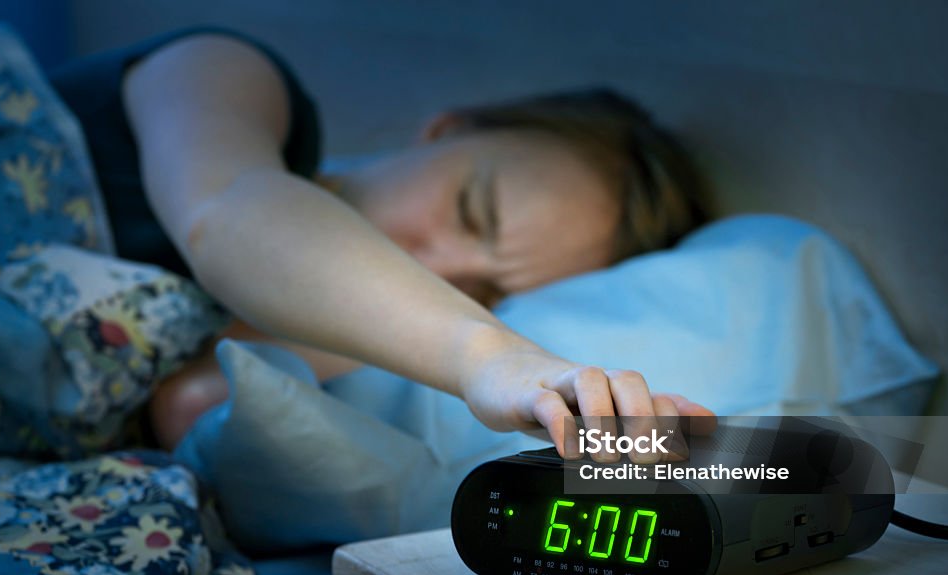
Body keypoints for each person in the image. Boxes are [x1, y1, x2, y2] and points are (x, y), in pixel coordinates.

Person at [49, 28, 716, 455]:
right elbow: (224, 211)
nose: (443, 266)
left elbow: (185, 404)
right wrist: (488, 353)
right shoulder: (226, 70)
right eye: (471, 211)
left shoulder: (363, 340)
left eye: (488, 293)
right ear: (449, 129)